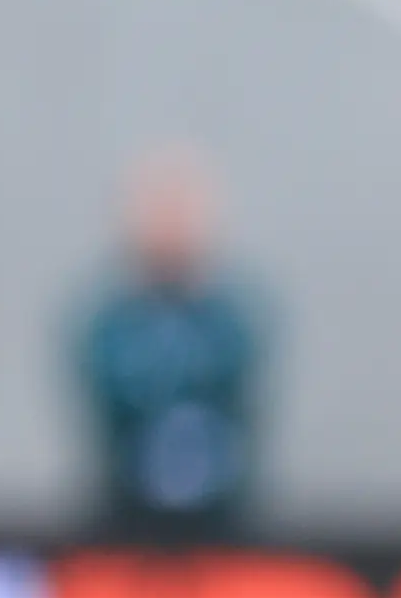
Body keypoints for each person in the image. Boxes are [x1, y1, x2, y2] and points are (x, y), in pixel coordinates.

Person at [70, 150, 262, 533]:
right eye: (158, 210)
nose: (170, 225)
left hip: (223, 534)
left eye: (180, 210)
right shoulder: (109, 328)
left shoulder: (233, 325)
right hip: (123, 532)